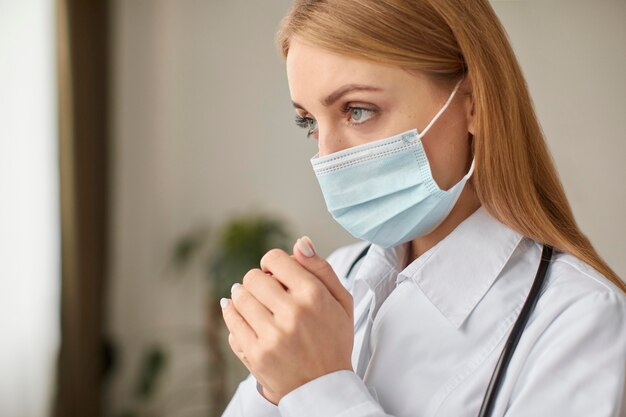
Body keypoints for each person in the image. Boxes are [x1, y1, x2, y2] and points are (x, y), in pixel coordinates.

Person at [219, 1, 626, 416]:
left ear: (473, 103)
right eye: (309, 122)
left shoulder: (579, 320)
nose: (328, 157)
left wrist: (319, 389)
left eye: (358, 110)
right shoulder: (335, 281)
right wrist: (273, 383)